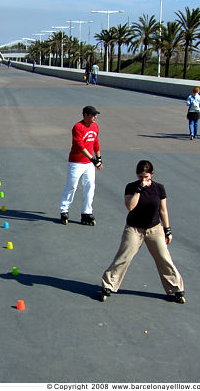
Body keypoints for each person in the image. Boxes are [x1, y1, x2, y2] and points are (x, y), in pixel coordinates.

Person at [100, 160, 185, 304]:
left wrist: (167, 230)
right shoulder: (131, 187)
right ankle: (108, 285)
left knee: (164, 258)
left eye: (146, 177)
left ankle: (176, 289)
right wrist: (139, 189)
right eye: (141, 177)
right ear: (136, 175)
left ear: (152, 174)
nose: (144, 180)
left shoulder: (159, 188)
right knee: (123, 257)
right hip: (134, 229)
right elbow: (130, 206)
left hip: (154, 229)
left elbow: (163, 210)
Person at [59, 105, 103, 226]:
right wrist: (93, 159)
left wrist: (99, 158)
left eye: (96, 115)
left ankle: (86, 212)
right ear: (85, 115)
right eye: (93, 115)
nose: (95, 117)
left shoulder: (95, 126)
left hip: (89, 164)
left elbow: (95, 142)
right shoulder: (78, 127)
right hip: (76, 163)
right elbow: (80, 145)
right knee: (72, 186)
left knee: (90, 187)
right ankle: (64, 210)